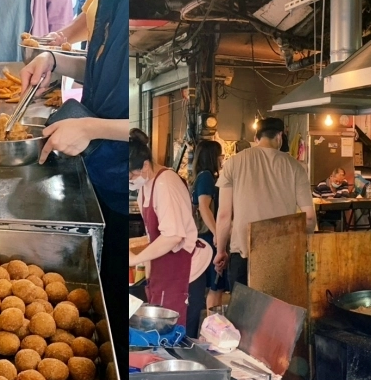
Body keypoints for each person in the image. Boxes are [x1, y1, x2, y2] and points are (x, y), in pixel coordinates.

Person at [16, 0, 128, 380]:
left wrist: (91, 127)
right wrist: (54, 58)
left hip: (120, 166)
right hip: (99, 159)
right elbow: (103, 68)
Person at [213, 118, 317, 290]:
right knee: (276, 311)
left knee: (243, 313)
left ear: (256, 138)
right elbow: (310, 217)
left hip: (243, 255)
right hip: (281, 254)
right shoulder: (296, 167)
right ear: (279, 137)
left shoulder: (233, 163)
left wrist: (221, 251)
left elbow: (224, 215)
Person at [129, 130, 199, 328]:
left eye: (132, 175)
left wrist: (135, 258)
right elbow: (153, 235)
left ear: (144, 165)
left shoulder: (166, 183)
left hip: (181, 267)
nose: (131, 181)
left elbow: (173, 235)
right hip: (162, 266)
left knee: (173, 328)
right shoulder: (146, 184)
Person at [192, 140, 229, 313]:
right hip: (209, 238)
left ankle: (211, 326)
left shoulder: (201, 176)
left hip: (204, 238)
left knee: (215, 287)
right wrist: (217, 234)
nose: (221, 159)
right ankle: (212, 328)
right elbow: (204, 207)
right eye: (219, 155)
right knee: (216, 287)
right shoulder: (206, 177)